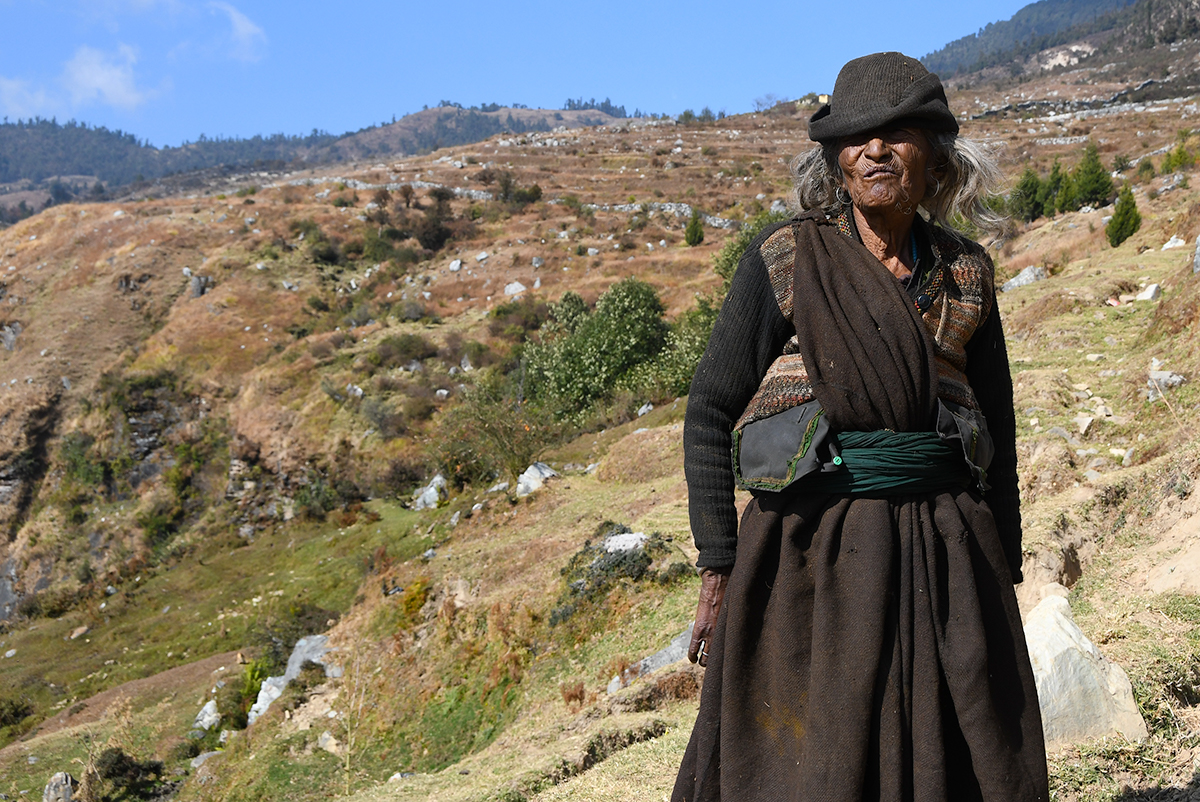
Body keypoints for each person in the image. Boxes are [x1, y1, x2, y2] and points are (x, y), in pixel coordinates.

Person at [672, 52, 1049, 802]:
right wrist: (719, 564)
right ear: (834, 159)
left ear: (937, 157)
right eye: (856, 136)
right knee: (807, 763)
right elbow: (710, 409)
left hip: (944, 546)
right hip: (808, 552)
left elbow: (998, 427)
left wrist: (999, 562)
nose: (875, 149)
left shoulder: (966, 272)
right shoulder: (787, 259)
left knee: (968, 749)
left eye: (898, 132)